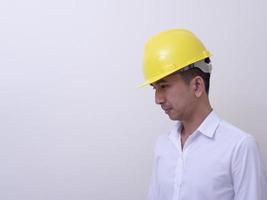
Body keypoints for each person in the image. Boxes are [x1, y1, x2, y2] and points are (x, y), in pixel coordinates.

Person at [140, 29, 267, 200]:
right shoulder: (163, 145)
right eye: (155, 88)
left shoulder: (239, 147)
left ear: (197, 86)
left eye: (164, 86)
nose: (158, 99)